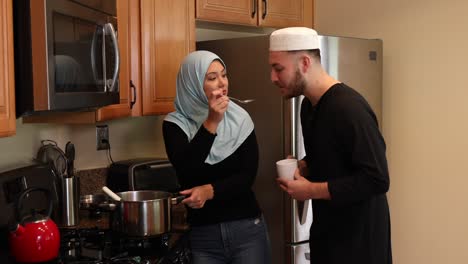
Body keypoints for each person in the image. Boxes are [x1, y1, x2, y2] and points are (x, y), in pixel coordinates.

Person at [270, 27, 392, 264]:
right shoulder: (308, 107)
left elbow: (377, 179)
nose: (272, 78)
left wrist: (310, 190)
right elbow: (329, 157)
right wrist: (304, 166)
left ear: (304, 63)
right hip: (329, 238)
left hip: (360, 245)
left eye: (278, 68)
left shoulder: (349, 109)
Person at [163, 50, 271, 264]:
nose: (222, 83)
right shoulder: (175, 125)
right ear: (192, 85)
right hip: (204, 236)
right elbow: (187, 173)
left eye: (224, 75)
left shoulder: (240, 119)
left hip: (248, 230)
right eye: (212, 78)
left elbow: (247, 177)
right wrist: (211, 122)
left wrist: (209, 191)